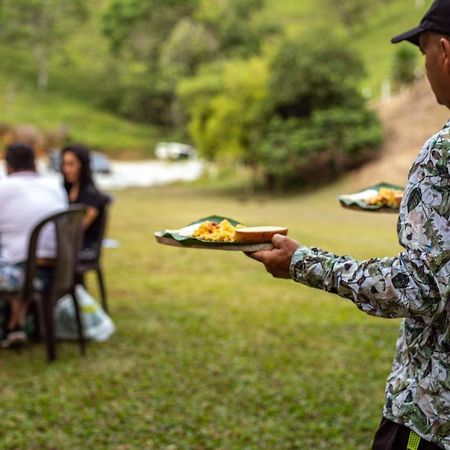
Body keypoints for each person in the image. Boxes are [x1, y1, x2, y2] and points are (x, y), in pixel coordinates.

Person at [247, 1, 450, 449]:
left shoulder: (441, 153)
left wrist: (302, 262)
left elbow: (418, 287)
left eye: (423, 53)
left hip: (432, 415)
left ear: (446, 51)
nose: (424, 67)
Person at [0, 143, 68, 346]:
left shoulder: (4, 188)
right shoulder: (55, 186)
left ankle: (13, 325)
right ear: (35, 163)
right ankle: (16, 325)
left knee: (12, 258)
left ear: (8, 166)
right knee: (16, 255)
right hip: (58, 273)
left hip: (23, 275)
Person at [60, 144, 109, 261]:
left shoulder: (91, 195)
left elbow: (78, 228)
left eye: (71, 164)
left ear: (83, 165)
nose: (66, 169)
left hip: (85, 249)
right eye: (64, 164)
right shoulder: (65, 190)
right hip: (68, 245)